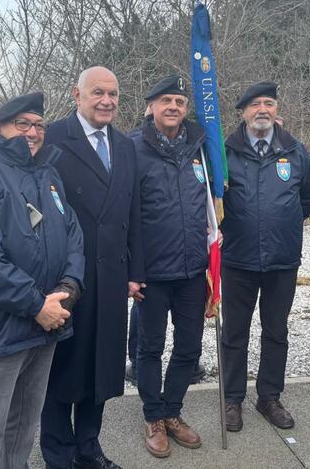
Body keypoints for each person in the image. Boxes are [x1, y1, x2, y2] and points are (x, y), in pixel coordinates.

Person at [0, 91, 84, 469]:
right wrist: (36, 305)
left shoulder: (49, 176)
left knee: (25, 421)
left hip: (49, 319)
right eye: (21, 123)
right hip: (4, 324)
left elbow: (73, 236)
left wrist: (68, 289)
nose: (33, 131)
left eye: (38, 125)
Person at [40, 66, 145, 469]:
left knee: (101, 366)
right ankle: (58, 453)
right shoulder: (52, 138)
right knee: (62, 368)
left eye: (113, 94)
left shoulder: (125, 145)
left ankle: (89, 447)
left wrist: (136, 271)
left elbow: (133, 210)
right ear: (77, 95)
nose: (107, 101)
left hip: (113, 274)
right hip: (68, 275)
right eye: (98, 92)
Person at [220, 82, 310, 432]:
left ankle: (269, 397)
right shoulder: (224, 152)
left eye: (269, 103)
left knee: (276, 331)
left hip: (281, 260)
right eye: (255, 104)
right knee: (234, 333)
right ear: (243, 112)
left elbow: (309, 195)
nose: (262, 109)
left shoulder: (294, 151)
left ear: (277, 110)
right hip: (238, 259)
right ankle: (232, 399)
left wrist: (284, 222)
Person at [132, 75, 208, 459]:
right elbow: (123, 214)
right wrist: (131, 269)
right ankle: (153, 416)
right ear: (151, 107)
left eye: (179, 100)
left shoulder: (201, 146)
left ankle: (173, 410)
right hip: (152, 273)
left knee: (189, 347)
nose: (173, 107)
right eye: (166, 100)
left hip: (194, 269)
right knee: (149, 347)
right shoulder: (133, 148)